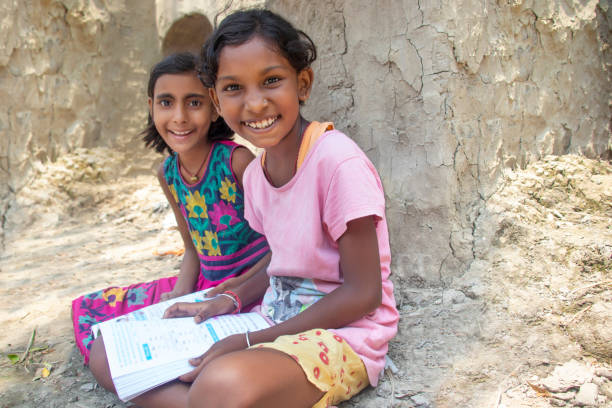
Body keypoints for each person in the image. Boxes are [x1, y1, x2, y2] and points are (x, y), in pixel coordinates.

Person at [89, 9, 398, 408]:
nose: (254, 103)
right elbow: (278, 261)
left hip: (342, 335)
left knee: (221, 386)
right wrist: (228, 301)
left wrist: (252, 340)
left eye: (271, 81)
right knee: (105, 354)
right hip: (269, 321)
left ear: (302, 84)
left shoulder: (338, 163)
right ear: (217, 100)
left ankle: (201, 399)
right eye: (234, 88)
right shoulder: (257, 174)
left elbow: (364, 293)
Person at [72, 52, 270, 364]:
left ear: (215, 107)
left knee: (216, 354)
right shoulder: (168, 174)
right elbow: (192, 249)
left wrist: (236, 291)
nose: (179, 116)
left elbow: (282, 244)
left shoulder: (236, 162)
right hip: (205, 286)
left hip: (256, 283)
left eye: (193, 102)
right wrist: (180, 292)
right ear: (151, 106)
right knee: (95, 309)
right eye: (166, 102)